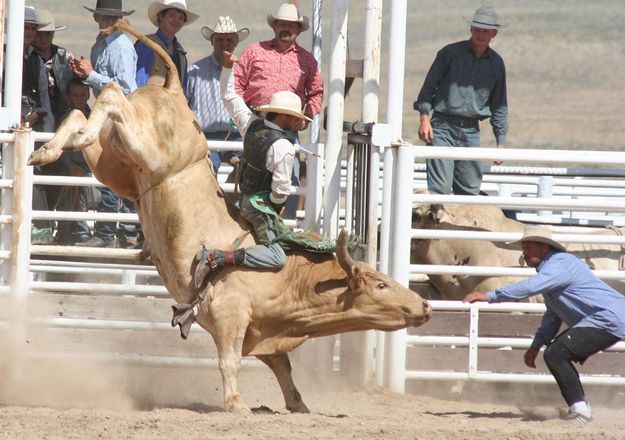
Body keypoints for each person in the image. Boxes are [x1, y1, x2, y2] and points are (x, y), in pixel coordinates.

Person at [463, 226, 625, 425]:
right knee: (557, 354)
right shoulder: (553, 270)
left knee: (557, 354)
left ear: (544, 247)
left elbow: (529, 287)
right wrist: (536, 346)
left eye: (528, 247)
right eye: (524, 247)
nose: (524, 252)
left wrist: (490, 296)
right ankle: (580, 408)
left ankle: (581, 410)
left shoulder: (560, 264)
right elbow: (552, 317)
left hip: (609, 317)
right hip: (610, 317)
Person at [193, 51, 311, 287]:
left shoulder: (250, 124)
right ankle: (222, 258)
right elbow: (280, 190)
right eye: (294, 118)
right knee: (277, 257)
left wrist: (227, 69)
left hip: (244, 200)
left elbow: (229, 97)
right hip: (260, 209)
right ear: (285, 118)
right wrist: (276, 208)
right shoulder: (283, 147)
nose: (298, 121)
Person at [234, 2, 323, 218]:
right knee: (248, 173)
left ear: (298, 30)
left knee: (288, 177)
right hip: (253, 122)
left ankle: (283, 222)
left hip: (288, 127)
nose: (287, 29)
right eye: (282, 24)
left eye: (292, 26)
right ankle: (243, 221)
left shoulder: (307, 60)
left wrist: (307, 117)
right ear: (275, 26)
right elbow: (236, 84)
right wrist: (242, 114)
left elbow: (316, 92)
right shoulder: (254, 51)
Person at [414, 5, 508, 196]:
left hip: (471, 130)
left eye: (486, 31)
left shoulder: (496, 64)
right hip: (442, 126)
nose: (481, 35)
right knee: (440, 188)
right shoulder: (449, 54)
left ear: (494, 34)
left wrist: (501, 142)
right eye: (478, 30)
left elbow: (499, 105)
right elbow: (428, 88)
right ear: (471, 29)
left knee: (470, 188)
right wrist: (424, 118)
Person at [70, 0, 141, 248]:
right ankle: (118, 232)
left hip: (116, 118)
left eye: (112, 18)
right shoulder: (100, 45)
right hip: (107, 118)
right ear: (96, 18)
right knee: (108, 173)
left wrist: (90, 75)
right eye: (104, 17)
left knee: (109, 172)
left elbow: (127, 88)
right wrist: (85, 75)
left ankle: (107, 232)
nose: (108, 22)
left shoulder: (120, 46)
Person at [186, 15, 249, 173]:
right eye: (220, 40)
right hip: (205, 136)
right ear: (212, 41)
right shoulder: (194, 72)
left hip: (235, 135)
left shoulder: (243, 72)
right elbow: (183, 104)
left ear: (236, 43)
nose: (225, 44)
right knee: (207, 169)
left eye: (229, 40)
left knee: (251, 166)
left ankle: (228, 197)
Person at [54, 78, 93, 245]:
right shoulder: (66, 117)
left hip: (89, 165)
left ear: (88, 95)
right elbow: (60, 145)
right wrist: (70, 165)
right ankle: (68, 232)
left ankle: (81, 231)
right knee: (69, 198)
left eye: (83, 94)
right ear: (69, 97)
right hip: (71, 164)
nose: (79, 98)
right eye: (75, 95)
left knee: (85, 197)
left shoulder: (92, 118)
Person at [135, 0, 198, 90]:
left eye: (181, 18)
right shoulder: (147, 45)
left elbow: (183, 89)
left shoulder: (181, 52)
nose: (176, 20)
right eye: (172, 15)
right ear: (161, 16)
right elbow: (139, 85)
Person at [32, 9, 74, 128]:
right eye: (39, 34)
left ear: (53, 34)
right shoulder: (26, 57)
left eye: (48, 34)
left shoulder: (64, 56)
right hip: (35, 120)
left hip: (63, 117)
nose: (43, 38)